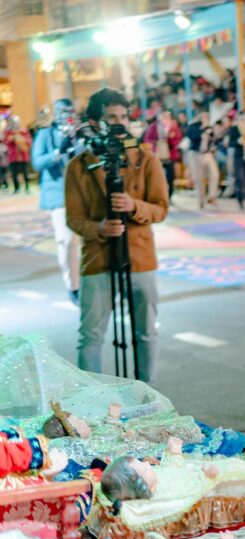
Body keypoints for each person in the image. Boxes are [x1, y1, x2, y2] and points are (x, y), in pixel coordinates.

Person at [65, 88, 168, 383]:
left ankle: (146, 393)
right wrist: (98, 229)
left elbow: (161, 208)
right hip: (98, 259)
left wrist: (134, 206)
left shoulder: (146, 160)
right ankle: (93, 400)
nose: (119, 123)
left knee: (146, 332)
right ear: (95, 122)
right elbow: (74, 218)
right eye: (111, 117)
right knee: (91, 335)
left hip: (139, 257)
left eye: (123, 116)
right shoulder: (78, 166)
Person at [31, 98, 81, 304]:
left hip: (82, 193)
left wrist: (78, 144)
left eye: (70, 111)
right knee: (67, 241)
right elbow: (37, 162)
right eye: (63, 111)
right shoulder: (45, 134)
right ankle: (73, 286)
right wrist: (58, 152)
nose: (67, 115)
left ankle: (92, 281)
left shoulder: (80, 134)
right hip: (58, 195)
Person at [143, 111, 182, 204]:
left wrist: (171, 137)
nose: (165, 118)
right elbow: (147, 139)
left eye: (167, 116)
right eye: (163, 116)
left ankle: (169, 196)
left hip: (169, 156)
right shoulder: (154, 126)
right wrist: (155, 145)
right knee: (157, 177)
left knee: (170, 177)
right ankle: (157, 197)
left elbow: (177, 140)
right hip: (157, 155)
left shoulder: (173, 126)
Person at [184, 111, 219, 209]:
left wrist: (213, 133)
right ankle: (201, 200)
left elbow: (215, 140)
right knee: (199, 178)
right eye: (204, 116)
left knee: (214, 173)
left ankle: (212, 196)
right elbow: (193, 138)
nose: (206, 118)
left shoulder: (209, 127)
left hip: (207, 153)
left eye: (207, 117)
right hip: (195, 153)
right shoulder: (193, 126)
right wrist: (203, 129)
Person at [227, 113, 245, 212]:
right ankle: (239, 197)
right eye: (242, 119)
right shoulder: (234, 129)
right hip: (239, 156)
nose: (244, 121)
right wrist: (238, 141)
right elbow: (230, 143)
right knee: (239, 178)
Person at [3, 115, 33, 192]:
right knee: (14, 173)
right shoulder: (7, 132)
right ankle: (16, 188)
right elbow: (6, 142)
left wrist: (21, 137)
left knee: (25, 172)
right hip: (13, 156)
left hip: (23, 156)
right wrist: (12, 138)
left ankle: (27, 187)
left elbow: (29, 142)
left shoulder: (24, 131)